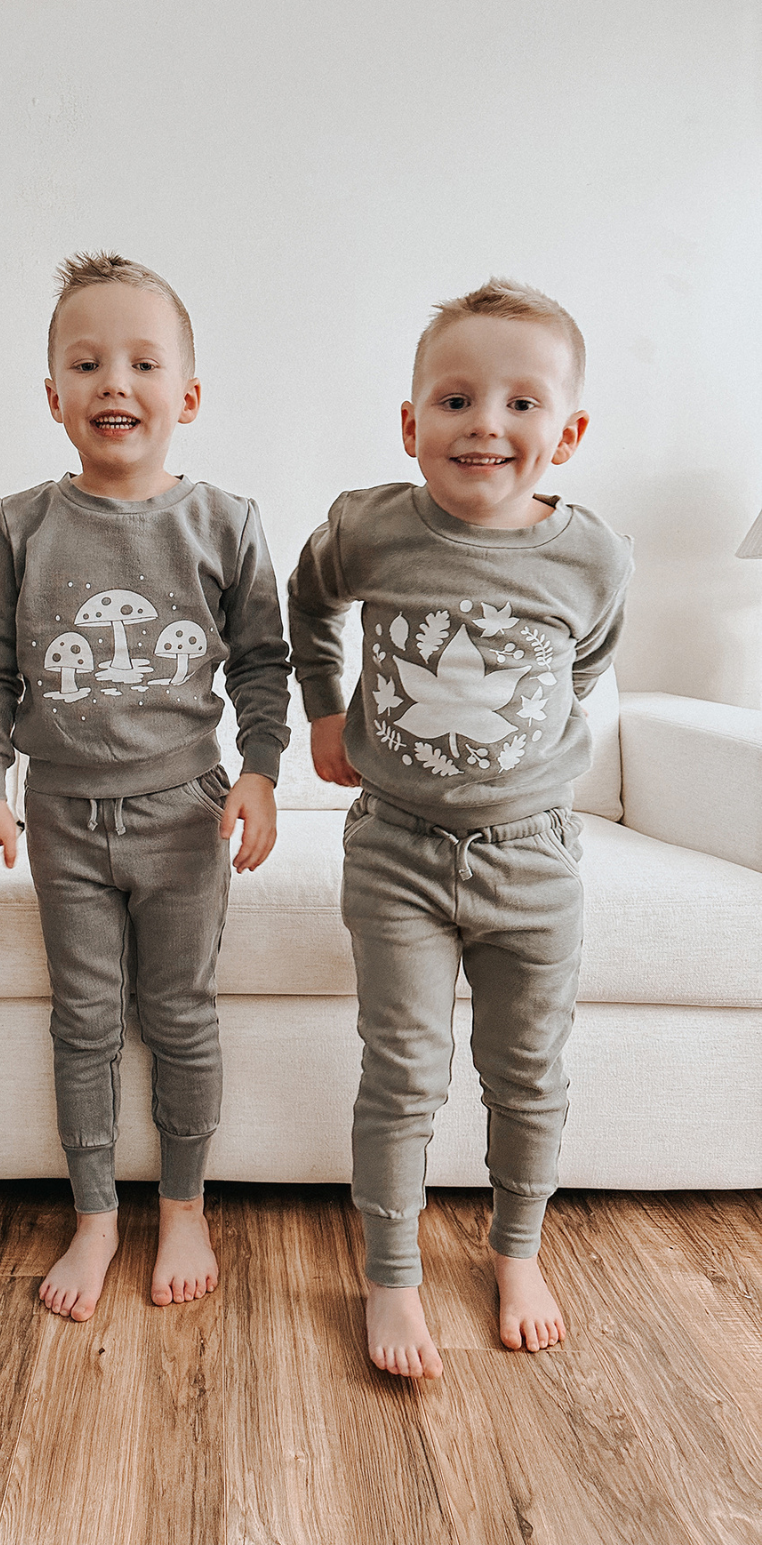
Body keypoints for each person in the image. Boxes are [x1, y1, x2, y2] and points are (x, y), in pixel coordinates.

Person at [289, 279, 633, 1379]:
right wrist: (327, 708)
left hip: (534, 858)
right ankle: (391, 1275)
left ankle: (516, 1249)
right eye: (456, 399)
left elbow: (583, 663)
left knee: (528, 1071)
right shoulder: (371, 527)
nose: (487, 423)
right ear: (411, 424)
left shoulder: (592, 557)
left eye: (523, 404)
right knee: (403, 1072)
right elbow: (306, 601)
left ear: (567, 433)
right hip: (397, 849)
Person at [0, 252, 290, 1321]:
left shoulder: (226, 521)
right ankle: (96, 1210)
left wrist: (261, 772)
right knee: (87, 1020)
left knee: (181, 1014)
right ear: (51, 395)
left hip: (184, 810)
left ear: (186, 395)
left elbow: (260, 664)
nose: (114, 382)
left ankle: (184, 1202)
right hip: (61, 814)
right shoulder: (19, 523)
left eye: (143, 362)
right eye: (86, 361)